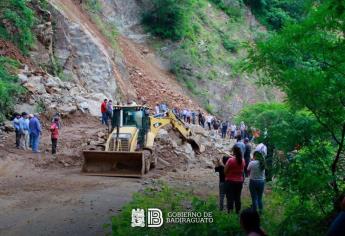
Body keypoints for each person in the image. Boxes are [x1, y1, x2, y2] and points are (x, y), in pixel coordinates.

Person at [224, 146, 245, 213]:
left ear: (234, 152)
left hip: (230, 181)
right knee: (237, 197)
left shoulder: (230, 160)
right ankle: (237, 211)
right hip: (239, 182)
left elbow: (225, 171)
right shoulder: (243, 160)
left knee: (230, 197)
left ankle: (230, 212)